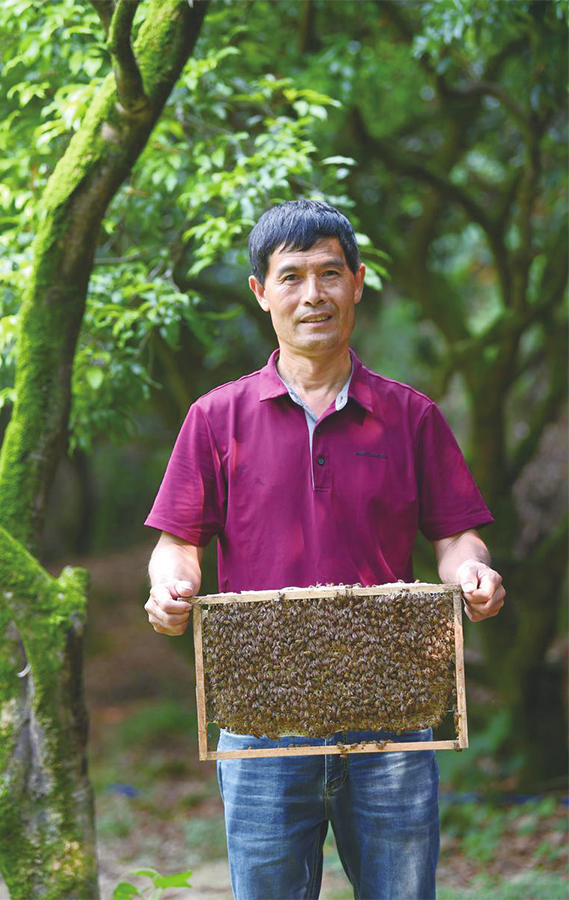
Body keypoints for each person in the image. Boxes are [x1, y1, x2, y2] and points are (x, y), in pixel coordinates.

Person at [144, 199, 505, 900]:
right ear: (261, 292)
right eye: (292, 277)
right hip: (259, 724)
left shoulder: (411, 416)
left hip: (393, 725)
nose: (313, 294)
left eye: (330, 274)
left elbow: (456, 534)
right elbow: (178, 542)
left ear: (359, 282)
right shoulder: (216, 419)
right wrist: (169, 589)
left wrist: (473, 572)